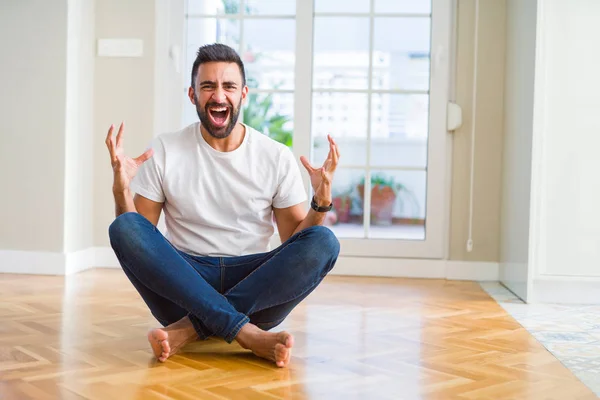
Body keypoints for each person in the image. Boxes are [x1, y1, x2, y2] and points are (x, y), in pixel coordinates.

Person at [105, 43, 341, 368]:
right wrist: (122, 189)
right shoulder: (166, 148)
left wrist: (321, 202)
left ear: (243, 94)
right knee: (123, 227)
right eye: (208, 86)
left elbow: (296, 242)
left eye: (228, 86)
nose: (219, 95)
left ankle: (189, 331)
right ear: (192, 95)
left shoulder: (274, 156)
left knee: (324, 241)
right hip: (183, 285)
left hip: (256, 287)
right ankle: (248, 335)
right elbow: (139, 235)